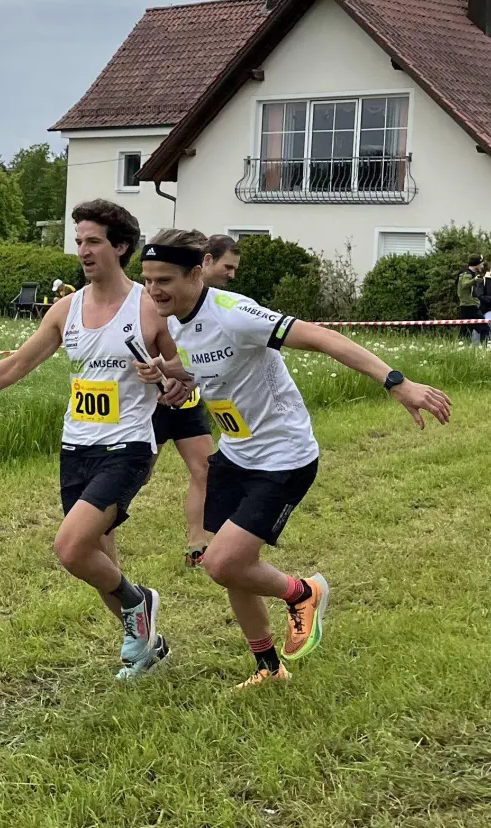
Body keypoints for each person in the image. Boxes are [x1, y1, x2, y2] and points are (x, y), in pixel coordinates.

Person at [138, 228, 450, 689]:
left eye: (163, 279)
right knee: (234, 573)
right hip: (236, 454)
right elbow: (212, 367)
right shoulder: (178, 319)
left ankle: (304, 592)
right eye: (147, 280)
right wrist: (174, 375)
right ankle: (270, 669)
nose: (153, 290)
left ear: (196, 272)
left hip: (283, 457)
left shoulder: (236, 313)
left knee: (222, 563)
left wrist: (397, 382)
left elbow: (325, 339)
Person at [0, 199, 194, 681]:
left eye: (93, 241)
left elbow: (186, 373)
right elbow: (16, 365)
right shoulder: (67, 309)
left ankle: (140, 603)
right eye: (80, 241)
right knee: (100, 557)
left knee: (71, 549)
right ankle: (148, 646)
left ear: (121, 246)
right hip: (76, 447)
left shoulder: (148, 306)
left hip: (127, 446)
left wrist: (165, 375)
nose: (83, 250)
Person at [154, 234, 241, 568]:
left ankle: (197, 544)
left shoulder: (221, 307)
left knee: (205, 470)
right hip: (155, 403)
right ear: (204, 263)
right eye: (226, 267)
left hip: (188, 403)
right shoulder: (165, 299)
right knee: (136, 476)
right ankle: (96, 531)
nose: (231, 275)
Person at [457, 255, 484, 345]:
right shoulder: (467, 274)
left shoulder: (471, 274)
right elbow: (464, 285)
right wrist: (474, 280)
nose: (482, 266)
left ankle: (461, 348)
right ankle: (487, 347)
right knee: (484, 328)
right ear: (477, 264)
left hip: (468, 305)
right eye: (481, 264)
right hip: (469, 305)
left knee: (465, 330)